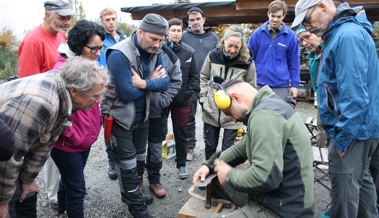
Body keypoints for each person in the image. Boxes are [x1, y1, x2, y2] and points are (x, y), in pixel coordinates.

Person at [291, 1, 379, 217]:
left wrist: (342, 139)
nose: (307, 27)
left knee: (344, 199)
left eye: (307, 20)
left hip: (352, 132)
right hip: (359, 130)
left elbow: (354, 95)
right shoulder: (341, 33)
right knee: (363, 183)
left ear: (322, 6)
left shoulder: (347, 36)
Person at [0, 56, 109, 218]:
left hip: (8, 150)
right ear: (74, 91)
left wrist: (27, 180)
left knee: (26, 195)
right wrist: (3, 202)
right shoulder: (43, 104)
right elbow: (9, 159)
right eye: (95, 96)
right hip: (3, 153)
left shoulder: (63, 93)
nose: (99, 100)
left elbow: (45, 143)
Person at [193, 80, 314, 218]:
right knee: (215, 181)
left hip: (283, 210)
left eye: (229, 112)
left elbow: (266, 177)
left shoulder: (265, 116)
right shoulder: (268, 105)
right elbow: (241, 149)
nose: (233, 120)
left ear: (236, 98)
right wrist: (209, 165)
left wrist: (229, 176)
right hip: (274, 197)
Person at [101, 13, 170, 218]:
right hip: (120, 119)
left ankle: (131, 196)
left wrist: (142, 83)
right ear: (140, 32)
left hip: (143, 118)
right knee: (128, 167)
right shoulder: (118, 54)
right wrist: (151, 82)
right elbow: (126, 93)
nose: (158, 45)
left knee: (139, 162)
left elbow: (165, 83)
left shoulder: (155, 51)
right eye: (153, 39)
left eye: (161, 40)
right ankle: (138, 210)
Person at [17, 0, 74, 211]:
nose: (67, 22)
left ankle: (60, 192)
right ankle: (53, 197)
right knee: (48, 152)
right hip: (43, 108)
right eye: (62, 17)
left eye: (69, 18)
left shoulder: (61, 35)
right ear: (48, 14)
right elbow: (26, 83)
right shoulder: (33, 41)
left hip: (60, 105)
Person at [50, 20, 105, 218]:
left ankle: (61, 212)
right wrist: (70, 133)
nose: (98, 52)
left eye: (101, 47)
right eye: (94, 48)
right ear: (78, 45)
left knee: (68, 180)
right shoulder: (62, 71)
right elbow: (55, 112)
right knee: (77, 188)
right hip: (68, 142)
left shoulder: (90, 65)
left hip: (84, 139)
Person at [199, 26, 256, 160]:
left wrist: (244, 109)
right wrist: (203, 98)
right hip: (211, 111)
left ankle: (224, 177)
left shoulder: (247, 63)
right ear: (223, 41)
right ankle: (209, 172)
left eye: (237, 47)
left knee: (229, 148)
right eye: (230, 45)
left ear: (241, 46)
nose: (232, 50)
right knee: (210, 146)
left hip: (233, 114)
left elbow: (251, 87)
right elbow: (204, 76)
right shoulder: (212, 56)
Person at [181, 7, 218, 161]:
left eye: (198, 19)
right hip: (190, 84)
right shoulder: (184, 37)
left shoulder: (213, 37)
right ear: (188, 22)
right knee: (189, 118)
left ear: (204, 19)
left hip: (209, 85)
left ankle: (210, 149)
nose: (195, 22)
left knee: (210, 117)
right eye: (192, 20)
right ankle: (190, 147)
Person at [145, 43, 182, 198]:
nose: (156, 41)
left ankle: (154, 179)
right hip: (135, 109)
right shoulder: (132, 50)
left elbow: (176, 81)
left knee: (155, 147)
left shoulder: (169, 56)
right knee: (135, 148)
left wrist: (162, 100)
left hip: (157, 112)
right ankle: (136, 181)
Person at [248, 0, 300, 102]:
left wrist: (294, 85)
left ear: (284, 16)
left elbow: (294, 62)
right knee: (258, 114)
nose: (275, 19)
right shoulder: (257, 34)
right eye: (273, 16)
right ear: (268, 14)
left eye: (278, 17)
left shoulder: (290, 37)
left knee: (277, 115)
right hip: (259, 84)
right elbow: (248, 58)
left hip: (280, 86)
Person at [98, 7, 127, 180]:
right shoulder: (99, 40)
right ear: (102, 21)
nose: (111, 22)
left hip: (123, 87)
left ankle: (126, 160)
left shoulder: (124, 38)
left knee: (124, 126)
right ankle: (112, 162)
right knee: (108, 127)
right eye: (107, 19)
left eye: (113, 19)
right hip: (105, 90)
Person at [296, 25, 327, 148]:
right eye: (301, 40)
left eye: (307, 37)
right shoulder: (313, 57)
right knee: (321, 127)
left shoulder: (331, 51)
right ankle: (322, 154)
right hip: (321, 98)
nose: (305, 43)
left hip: (334, 101)